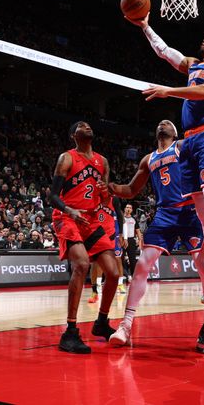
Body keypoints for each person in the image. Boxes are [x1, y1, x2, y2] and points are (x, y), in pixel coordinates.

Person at [130, 14, 204, 306]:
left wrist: (169, 91)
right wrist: (145, 26)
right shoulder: (195, 64)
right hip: (190, 141)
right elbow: (166, 52)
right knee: (203, 210)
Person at [108, 120, 204, 351]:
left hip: (190, 211)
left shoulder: (181, 146)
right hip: (165, 215)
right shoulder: (148, 159)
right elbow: (131, 190)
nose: (162, 122)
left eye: (167, 122)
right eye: (159, 123)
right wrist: (110, 186)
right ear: (156, 133)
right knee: (142, 264)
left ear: (174, 132)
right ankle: (126, 324)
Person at [50, 121, 119, 354]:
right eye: (81, 125)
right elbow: (52, 195)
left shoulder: (103, 161)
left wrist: (105, 189)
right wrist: (69, 210)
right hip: (67, 216)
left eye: (89, 125)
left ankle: (101, 322)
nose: (87, 126)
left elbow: (106, 197)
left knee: (114, 272)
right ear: (74, 135)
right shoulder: (67, 158)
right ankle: (70, 331)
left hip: (92, 220)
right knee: (80, 264)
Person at [121, 203, 139, 281]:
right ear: (124, 209)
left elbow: (138, 231)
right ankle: (125, 275)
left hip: (131, 240)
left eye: (130, 208)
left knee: (132, 260)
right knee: (121, 259)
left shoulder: (134, 220)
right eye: (127, 207)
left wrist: (139, 239)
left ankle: (133, 276)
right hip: (122, 240)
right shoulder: (121, 219)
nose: (128, 209)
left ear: (131, 210)